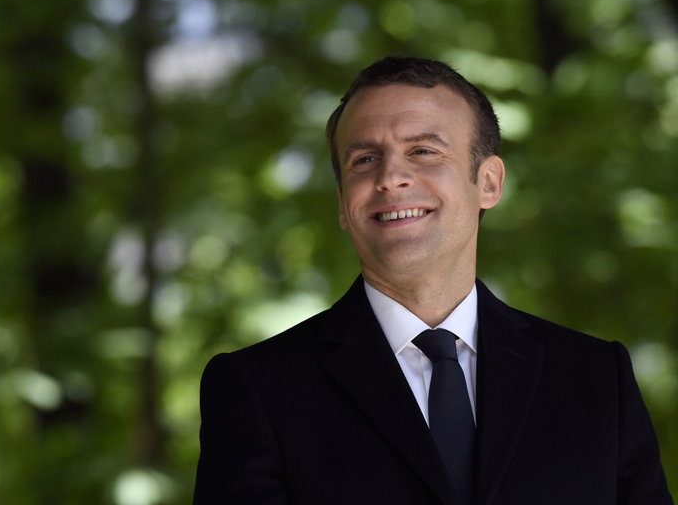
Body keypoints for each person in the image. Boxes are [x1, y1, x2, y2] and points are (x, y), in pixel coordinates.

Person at [193, 56, 673, 505]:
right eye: (364, 160)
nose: (391, 177)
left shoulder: (596, 380)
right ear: (342, 202)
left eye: (423, 151)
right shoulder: (259, 390)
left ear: (489, 183)